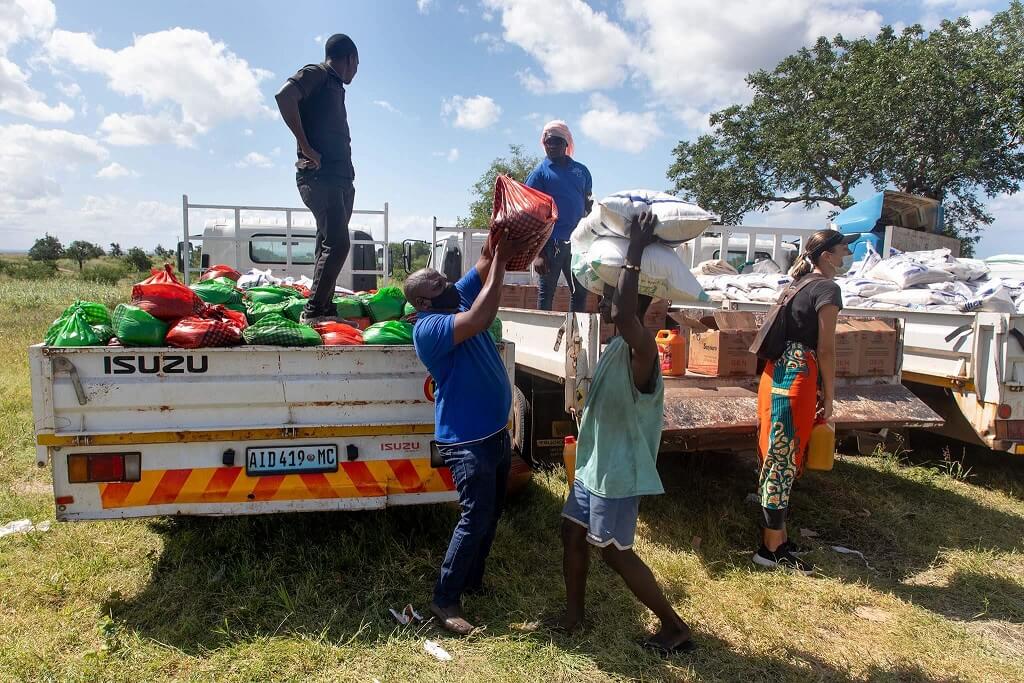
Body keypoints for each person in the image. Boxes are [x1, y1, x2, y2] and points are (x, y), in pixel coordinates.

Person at [555, 212, 694, 655]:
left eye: (618, 292)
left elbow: (620, 308)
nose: (610, 296)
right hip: (595, 466)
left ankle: (675, 627)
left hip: (616, 472)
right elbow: (612, 309)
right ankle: (575, 619)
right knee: (572, 534)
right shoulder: (618, 344)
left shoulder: (644, 349)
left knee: (614, 551)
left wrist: (634, 247)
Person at [405, 229, 539, 635]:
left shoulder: (454, 295)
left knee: (491, 512)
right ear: (424, 301)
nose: (450, 286)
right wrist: (502, 266)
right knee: (474, 516)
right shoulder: (428, 327)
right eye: (439, 286)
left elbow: (482, 260)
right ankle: (445, 598)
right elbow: (483, 316)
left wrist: (500, 234)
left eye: (445, 281)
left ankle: (473, 579)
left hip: (496, 434)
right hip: (467, 442)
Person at [754, 229, 855, 574]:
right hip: (796, 379)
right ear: (826, 254)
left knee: (775, 459)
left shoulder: (796, 285)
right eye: (844, 249)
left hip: (775, 376)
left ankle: (778, 539)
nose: (847, 255)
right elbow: (826, 349)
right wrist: (830, 395)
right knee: (781, 463)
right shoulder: (827, 289)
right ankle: (770, 550)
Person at [275, 34, 360, 324]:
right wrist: (306, 146)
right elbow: (284, 96)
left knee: (326, 243)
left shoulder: (334, 86)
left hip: (339, 178)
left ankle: (323, 307)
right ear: (349, 59)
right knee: (338, 244)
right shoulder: (319, 73)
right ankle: (313, 312)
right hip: (320, 177)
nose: (356, 72)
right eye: (357, 64)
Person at [525, 120, 593, 313]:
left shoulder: (581, 171)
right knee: (546, 294)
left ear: (566, 144)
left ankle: (576, 338)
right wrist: (537, 253)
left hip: (578, 242)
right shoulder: (539, 174)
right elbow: (530, 215)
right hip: (550, 243)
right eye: (548, 142)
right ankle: (543, 340)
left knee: (580, 292)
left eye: (556, 142)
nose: (552, 146)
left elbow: (588, 204)